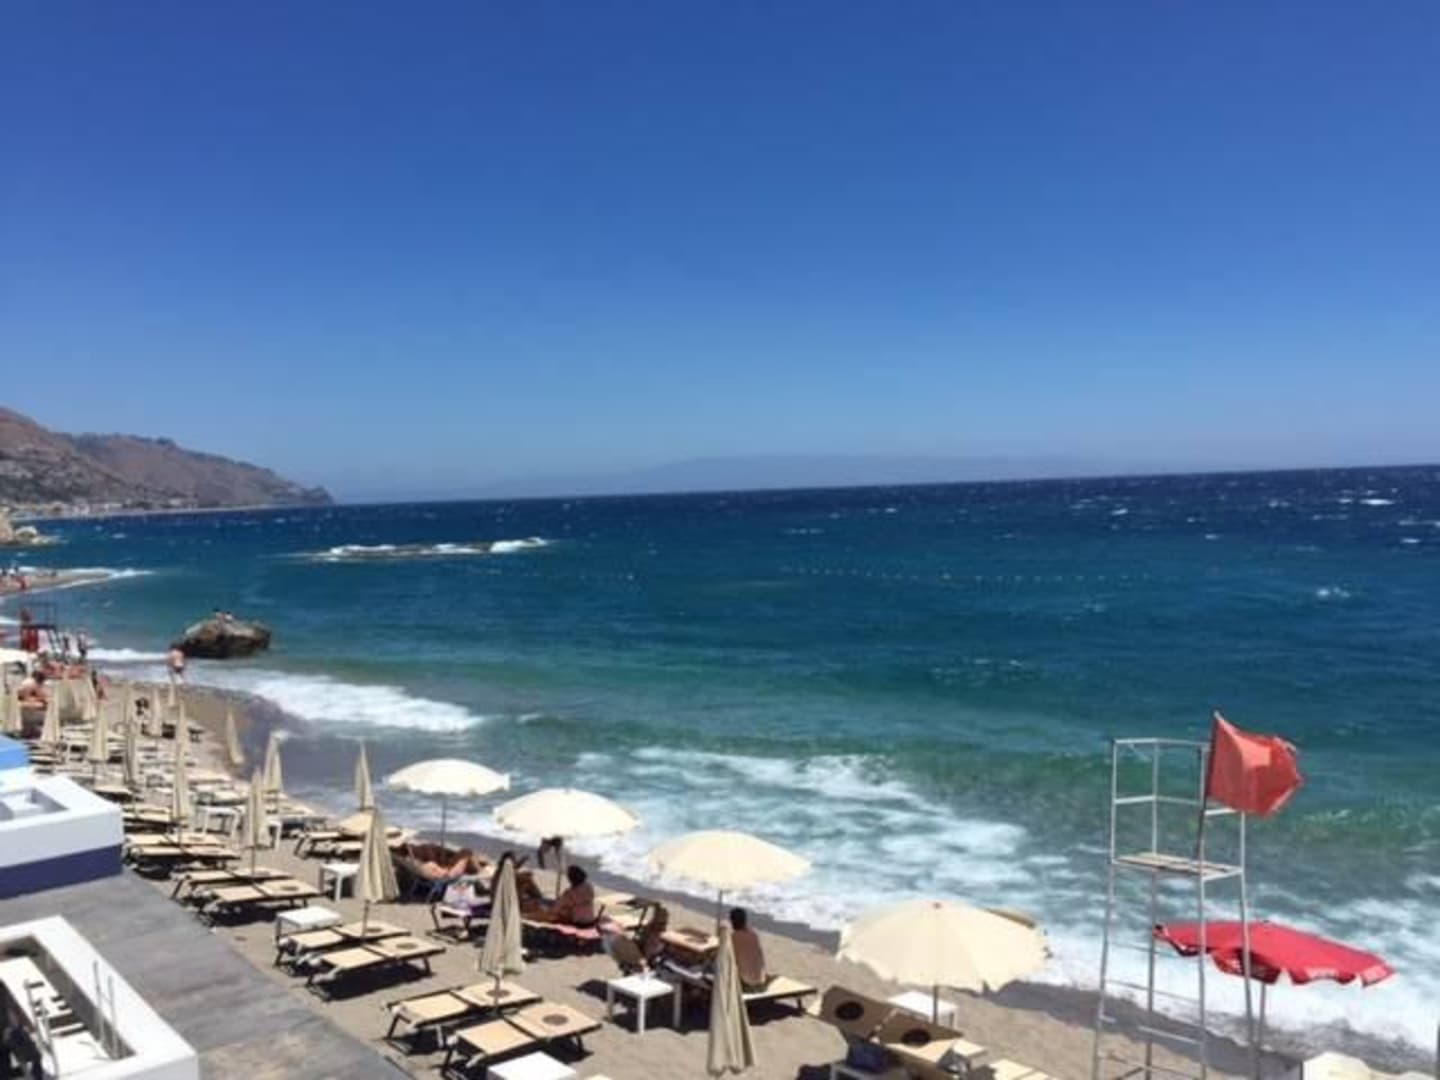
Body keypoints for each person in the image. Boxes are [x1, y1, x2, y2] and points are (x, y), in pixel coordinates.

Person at [524, 865, 596, 926]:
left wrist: (544, 908)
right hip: (589, 919)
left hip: (577, 921)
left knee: (547, 913)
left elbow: (555, 909)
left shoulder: (570, 893)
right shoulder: (589, 888)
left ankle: (525, 917)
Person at [729, 908, 769, 992]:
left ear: (733, 921)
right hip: (761, 981)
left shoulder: (734, 937)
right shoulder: (754, 934)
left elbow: (729, 958)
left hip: (747, 985)